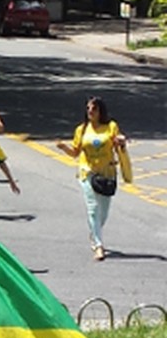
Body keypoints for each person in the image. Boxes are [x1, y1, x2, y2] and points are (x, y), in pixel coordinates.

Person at [55, 96, 128, 261]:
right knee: (93, 208)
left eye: (93, 109)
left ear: (100, 111)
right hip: (87, 172)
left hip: (107, 173)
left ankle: (95, 233)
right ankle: (98, 245)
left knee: (103, 213)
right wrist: (63, 147)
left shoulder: (110, 127)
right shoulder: (82, 129)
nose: (90, 112)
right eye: (88, 109)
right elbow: (75, 152)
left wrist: (121, 142)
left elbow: (119, 145)